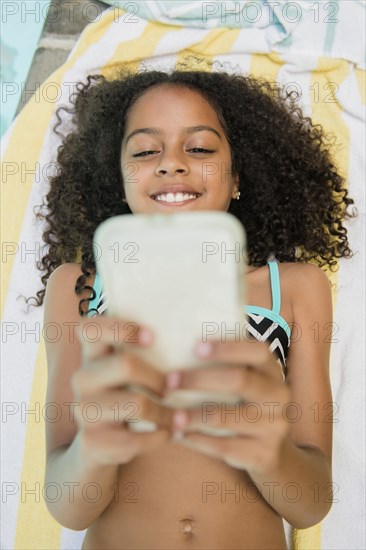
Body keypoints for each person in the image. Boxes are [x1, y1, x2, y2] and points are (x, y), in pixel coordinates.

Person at [33, 58, 357, 549]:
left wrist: (266, 447)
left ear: (238, 177)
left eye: (200, 146)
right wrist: (95, 448)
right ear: (119, 178)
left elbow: (310, 503)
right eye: (144, 150)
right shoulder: (76, 288)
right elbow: (67, 508)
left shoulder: (292, 288)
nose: (171, 162)